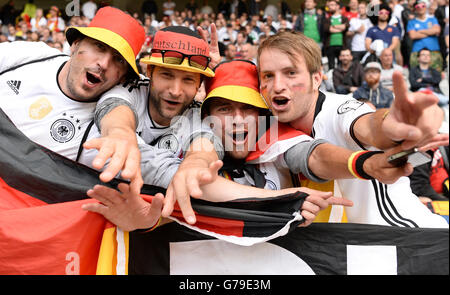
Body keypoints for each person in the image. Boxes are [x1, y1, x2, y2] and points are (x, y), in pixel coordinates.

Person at [82, 59, 354, 231]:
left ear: (263, 117)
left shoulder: (274, 141)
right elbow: (182, 202)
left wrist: (363, 164)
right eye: (224, 109)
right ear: (206, 118)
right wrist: (146, 224)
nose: (237, 120)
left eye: (248, 109)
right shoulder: (176, 147)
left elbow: (314, 156)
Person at [256, 30, 448, 227]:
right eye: (268, 75)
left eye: (291, 73)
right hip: (347, 249)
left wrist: (396, 124)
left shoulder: (339, 109)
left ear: (316, 79)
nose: (277, 85)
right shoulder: (267, 127)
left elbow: (370, 125)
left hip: (407, 239)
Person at [0, 6, 145, 164]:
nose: (104, 64)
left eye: (118, 59)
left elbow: (144, 161)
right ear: (76, 44)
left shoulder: (101, 132)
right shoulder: (29, 55)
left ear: (123, 76)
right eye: (99, 47)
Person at [407, 0, 443, 72]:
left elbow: (437, 30)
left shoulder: (433, 19)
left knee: (436, 77)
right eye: (418, 6)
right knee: (417, 78)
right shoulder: (411, 22)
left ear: (426, 7)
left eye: (423, 6)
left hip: (434, 52)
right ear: (415, 9)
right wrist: (430, 32)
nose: (420, 8)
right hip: (416, 53)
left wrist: (420, 31)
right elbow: (413, 36)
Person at [323, 0, 349, 70]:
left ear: (337, 6)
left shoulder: (344, 18)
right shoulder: (327, 19)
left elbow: (345, 27)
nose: (329, 7)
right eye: (329, 5)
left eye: (332, 5)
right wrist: (340, 27)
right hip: (330, 46)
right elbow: (328, 29)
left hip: (342, 45)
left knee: (341, 66)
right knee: (331, 66)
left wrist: (333, 26)